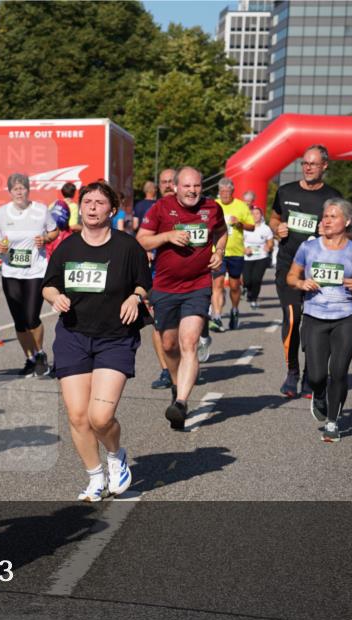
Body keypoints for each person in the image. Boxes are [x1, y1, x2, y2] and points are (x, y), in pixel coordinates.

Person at [42, 180, 151, 501]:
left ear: (112, 210)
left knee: (99, 417)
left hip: (115, 338)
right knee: (77, 416)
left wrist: (134, 297)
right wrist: (55, 297)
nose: (91, 207)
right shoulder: (68, 246)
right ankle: (95, 477)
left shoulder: (127, 247)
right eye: (87, 202)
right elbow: (48, 284)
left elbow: (144, 283)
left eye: (99, 203)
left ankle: (116, 456)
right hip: (73, 336)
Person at [138, 167, 227, 430]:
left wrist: (219, 251)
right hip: (165, 287)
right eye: (187, 186)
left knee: (189, 341)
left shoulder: (212, 209)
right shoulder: (160, 208)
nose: (192, 191)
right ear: (176, 187)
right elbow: (141, 240)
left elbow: (221, 232)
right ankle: (177, 385)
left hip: (198, 285)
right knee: (168, 345)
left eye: (197, 186)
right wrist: (167, 236)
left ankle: (181, 402)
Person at [286, 198, 352, 442]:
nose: (326, 221)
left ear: (346, 221)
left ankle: (333, 421)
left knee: (338, 371)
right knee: (316, 376)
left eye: (332, 216)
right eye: (325, 216)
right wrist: (301, 283)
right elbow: (291, 277)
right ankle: (318, 395)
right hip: (315, 316)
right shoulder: (309, 248)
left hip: (346, 318)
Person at [270, 144, 342, 399]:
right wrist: (276, 228)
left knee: (314, 325)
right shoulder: (286, 191)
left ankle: (312, 374)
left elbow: (345, 231)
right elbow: (274, 218)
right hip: (289, 265)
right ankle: (292, 372)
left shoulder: (333, 197)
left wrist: (330, 231)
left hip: (320, 269)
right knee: (293, 320)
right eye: (304, 163)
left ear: (324, 166)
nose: (308, 167)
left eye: (313, 164)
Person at [0, 173, 59, 377]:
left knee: (31, 316)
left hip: (35, 271)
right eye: (15, 188)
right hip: (11, 272)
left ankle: (41, 352)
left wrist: (45, 239)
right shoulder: (2, 213)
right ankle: (30, 358)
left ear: (28, 190)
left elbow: (55, 232)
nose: (19, 191)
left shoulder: (40, 210)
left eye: (22, 187)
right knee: (19, 320)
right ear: (9, 192)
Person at [149, 169, 177, 389]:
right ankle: (166, 370)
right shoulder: (155, 209)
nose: (168, 186)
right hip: (159, 274)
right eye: (164, 182)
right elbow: (143, 238)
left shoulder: (191, 208)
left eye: (171, 182)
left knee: (185, 327)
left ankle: (183, 363)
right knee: (158, 325)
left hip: (190, 278)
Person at [214, 177, 255, 331]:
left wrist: (239, 223)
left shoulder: (241, 206)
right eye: (222, 191)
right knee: (217, 285)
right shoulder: (214, 205)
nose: (224, 194)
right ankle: (217, 316)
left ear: (232, 191)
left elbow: (251, 226)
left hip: (236, 252)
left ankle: (234, 310)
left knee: (234, 286)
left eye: (227, 191)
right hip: (218, 251)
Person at [242, 206, 274, 308]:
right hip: (247, 257)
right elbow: (238, 241)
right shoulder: (245, 227)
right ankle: (248, 290)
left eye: (257, 213)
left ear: (261, 216)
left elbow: (270, 242)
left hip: (261, 257)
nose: (255, 216)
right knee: (247, 280)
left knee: (256, 279)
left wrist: (268, 247)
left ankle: (253, 299)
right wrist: (244, 249)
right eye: (253, 214)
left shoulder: (265, 228)